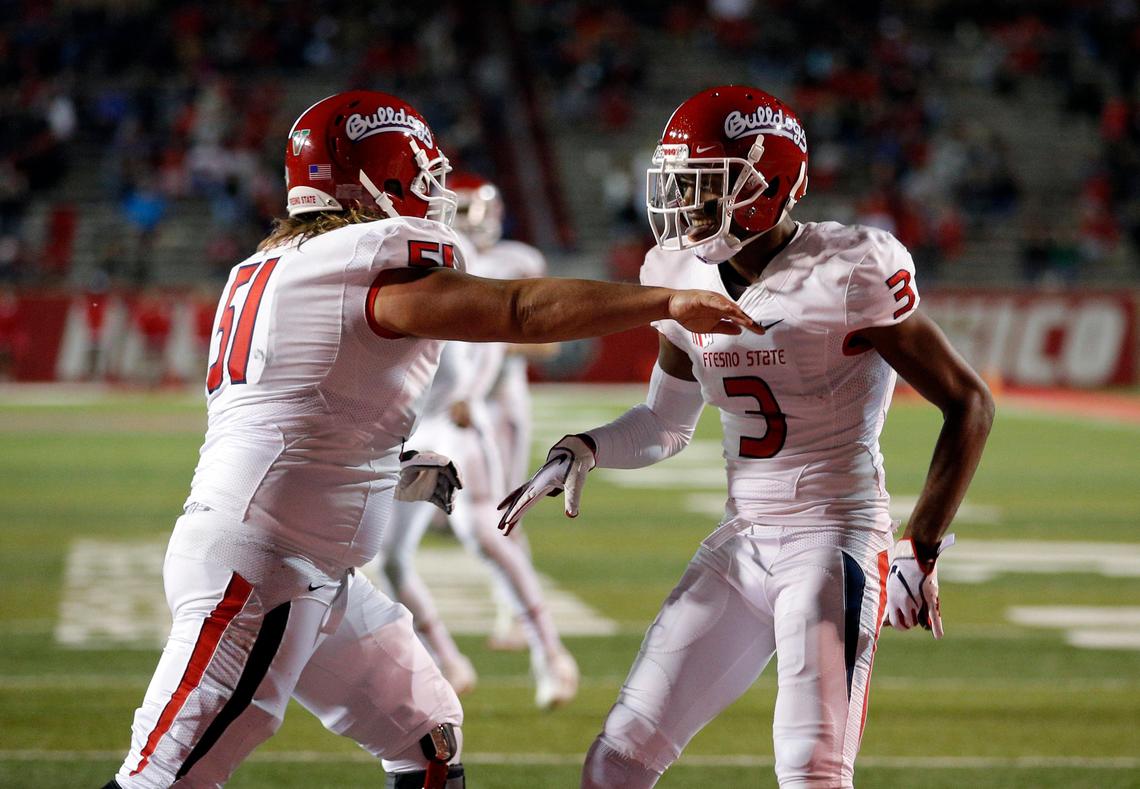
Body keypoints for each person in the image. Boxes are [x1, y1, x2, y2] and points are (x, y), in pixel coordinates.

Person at [100, 89, 758, 789]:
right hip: (264, 571)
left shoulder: (269, 267)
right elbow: (516, 310)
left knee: (426, 733)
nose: (430, 195)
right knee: (162, 778)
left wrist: (388, 466)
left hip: (305, 562)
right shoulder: (363, 257)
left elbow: (304, 408)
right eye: (419, 177)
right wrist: (663, 301)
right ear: (373, 181)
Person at [498, 85, 995, 789]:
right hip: (742, 542)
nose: (683, 202)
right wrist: (585, 447)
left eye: (704, 185)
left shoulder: (850, 268)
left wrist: (922, 543)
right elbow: (665, 423)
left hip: (833, 541)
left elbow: (968, 402)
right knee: (616, 761)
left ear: (767, 186)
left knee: (811, 771)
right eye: (679, 183)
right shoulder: (675, 273)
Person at [376, 172, 579, 710]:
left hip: (455, 419)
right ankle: (446, 661)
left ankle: (550, 653)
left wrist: (470, 392)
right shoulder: (395, 256)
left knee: (483, 530)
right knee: (389, 558)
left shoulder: (468, 260)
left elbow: (491, 339)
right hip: (410, 429)